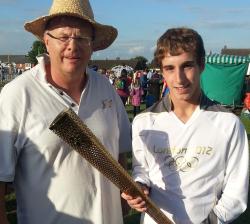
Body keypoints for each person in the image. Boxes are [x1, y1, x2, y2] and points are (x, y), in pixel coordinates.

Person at [0, 1, 131, 224]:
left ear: (92, 46)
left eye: (82, 38)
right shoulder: (18, 94)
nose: (73, 46)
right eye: (64, 37)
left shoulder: (105, 87)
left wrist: (123, 200)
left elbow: (119, 152)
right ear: (46, 41)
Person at [122, 27, 249, 224]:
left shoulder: (228, 124)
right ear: (161, 70)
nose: (179, 79)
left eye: (187, 66)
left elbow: (236, 192)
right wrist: (140, 186)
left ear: (202, 65)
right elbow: (142, 170)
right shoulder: (144, 122)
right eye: (170, 68)